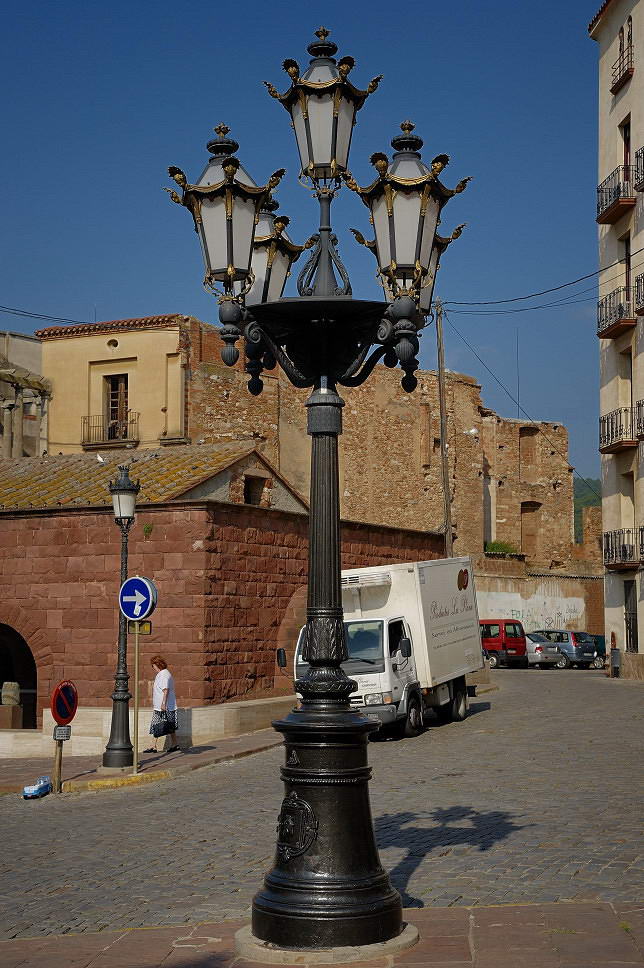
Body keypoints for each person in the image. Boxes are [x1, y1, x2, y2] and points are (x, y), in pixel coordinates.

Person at [145, 655, 180, 753]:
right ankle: (174, 744)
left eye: (153, 666)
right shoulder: (163, 674)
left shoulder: (164, 674)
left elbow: (165, 690)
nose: (153, 668)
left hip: (164, 706)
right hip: (164, 706)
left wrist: (163, 703)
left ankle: (153, 746)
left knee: (157, 724)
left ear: (157, 664)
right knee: (170, 725)